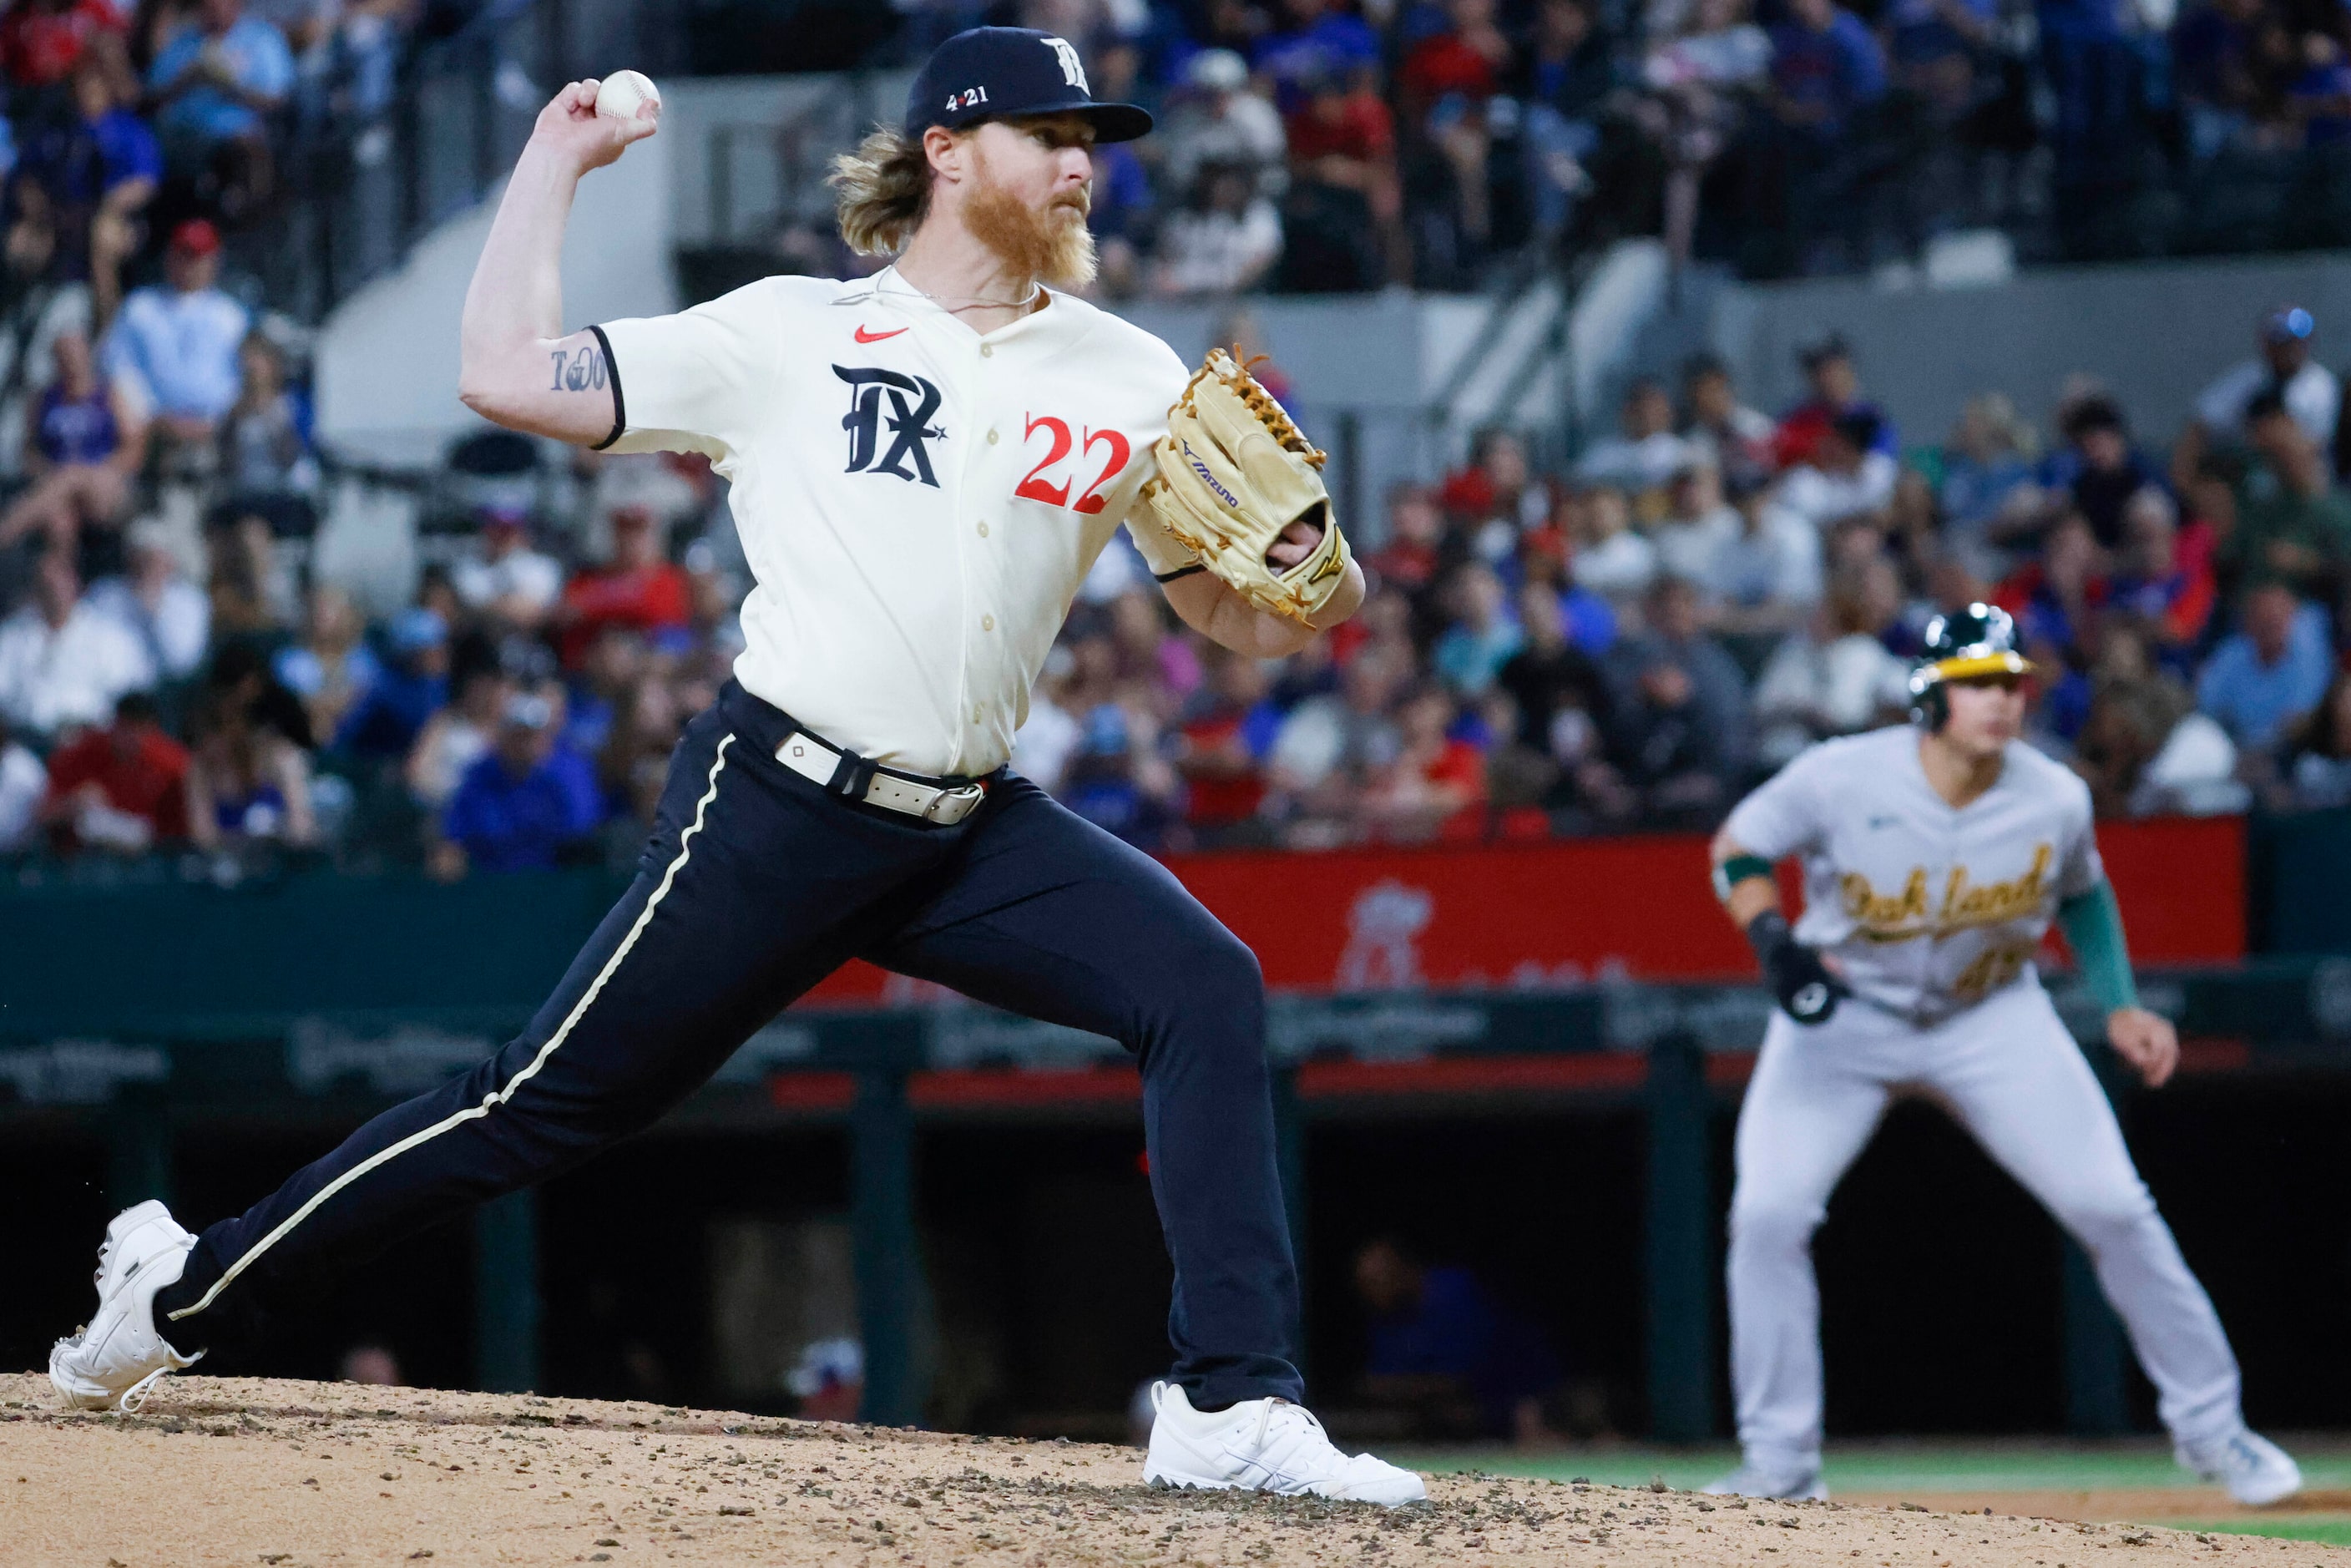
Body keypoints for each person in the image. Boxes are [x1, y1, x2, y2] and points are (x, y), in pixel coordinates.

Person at [51, 31, 1423, 1509]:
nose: (1084, 158)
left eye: (1093, 133)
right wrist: (551, 164)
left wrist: (1307, 584)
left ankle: (1232, 1400)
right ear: (949, 153)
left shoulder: (1128, 372)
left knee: (1200, 983)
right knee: (533, 1105)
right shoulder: (791, 330)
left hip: (966, 828)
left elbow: (1218, 612)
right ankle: (181, 1288)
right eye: (1048, 130)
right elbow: (503, 374)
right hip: (774, 805)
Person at [1704, 604, 2300, 1507]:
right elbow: (1735, 849)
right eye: (1975, 683)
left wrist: (2121, 1006)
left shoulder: (2051, 794)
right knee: (1767, 1216)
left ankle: (2215, 1433)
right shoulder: (1840, 776)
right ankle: (1780, 1465)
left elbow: (2084, 899)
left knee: (2111, 1204)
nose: (1999, 699)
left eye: (2008, 682)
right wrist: (1775, 946)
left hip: (1990, 1015)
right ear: (1929, 696)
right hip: (1847, 1018)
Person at [99, 217, 247, 459]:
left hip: (218, 434)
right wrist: (153, 417)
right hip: (149, 435)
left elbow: (246, 377)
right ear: (170, 256)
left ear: (214, 261)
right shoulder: (140, 308)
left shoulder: (232, 315)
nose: (190, 264)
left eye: (198, 256)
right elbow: (117, 368)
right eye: (184, 254)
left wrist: (218, 421)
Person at [0, 326, 145, 551]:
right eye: (63, 356)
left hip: (103, 485)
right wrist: (44, 469)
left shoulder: (109, 396)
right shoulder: (43, 400)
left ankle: (6, 531)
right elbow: (29, 450)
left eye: (75, 355)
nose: (70, 362)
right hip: (57, 484)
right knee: (58, 521)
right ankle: (63, 581)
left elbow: (134, 449)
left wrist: (97, 471)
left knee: (72, 474)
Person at [2175, 306, 2339, 485]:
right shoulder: (2249, 378)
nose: (2287, 350)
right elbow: (2203, 420)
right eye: (2280, 342)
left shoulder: (2320, 383)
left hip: (2302, 471)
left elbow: (2315, 443)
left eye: (2293, 343)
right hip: (2243, 464)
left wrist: (2272, 433)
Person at [0, 544, 152, 735]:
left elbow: (128, 694)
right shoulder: (12, 635)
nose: (53, 590)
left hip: (88, 740)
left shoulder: (109, 637)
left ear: (74, 583)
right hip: (27, 737)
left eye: (59, 581)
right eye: (45, 583)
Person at [37, 687, 188, 852]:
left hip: (152, 858)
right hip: (86, 860)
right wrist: (72, 803)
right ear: (115, 724)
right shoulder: (83, 753)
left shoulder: (171, 762)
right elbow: (43, 814)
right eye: (126, 728)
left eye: (140, 730)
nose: (132, 738)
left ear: (152, 730)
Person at [2196, 580, 2333, 756]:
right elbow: (2207, 708)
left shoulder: (2310, 660)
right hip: (2232, 750)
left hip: (2287, 755)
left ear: (2291, 619)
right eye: (2263, 621)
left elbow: (2300, 721)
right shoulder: (2231, 655)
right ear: (2248, 623)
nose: (2270, 627)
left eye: (2277, 621)